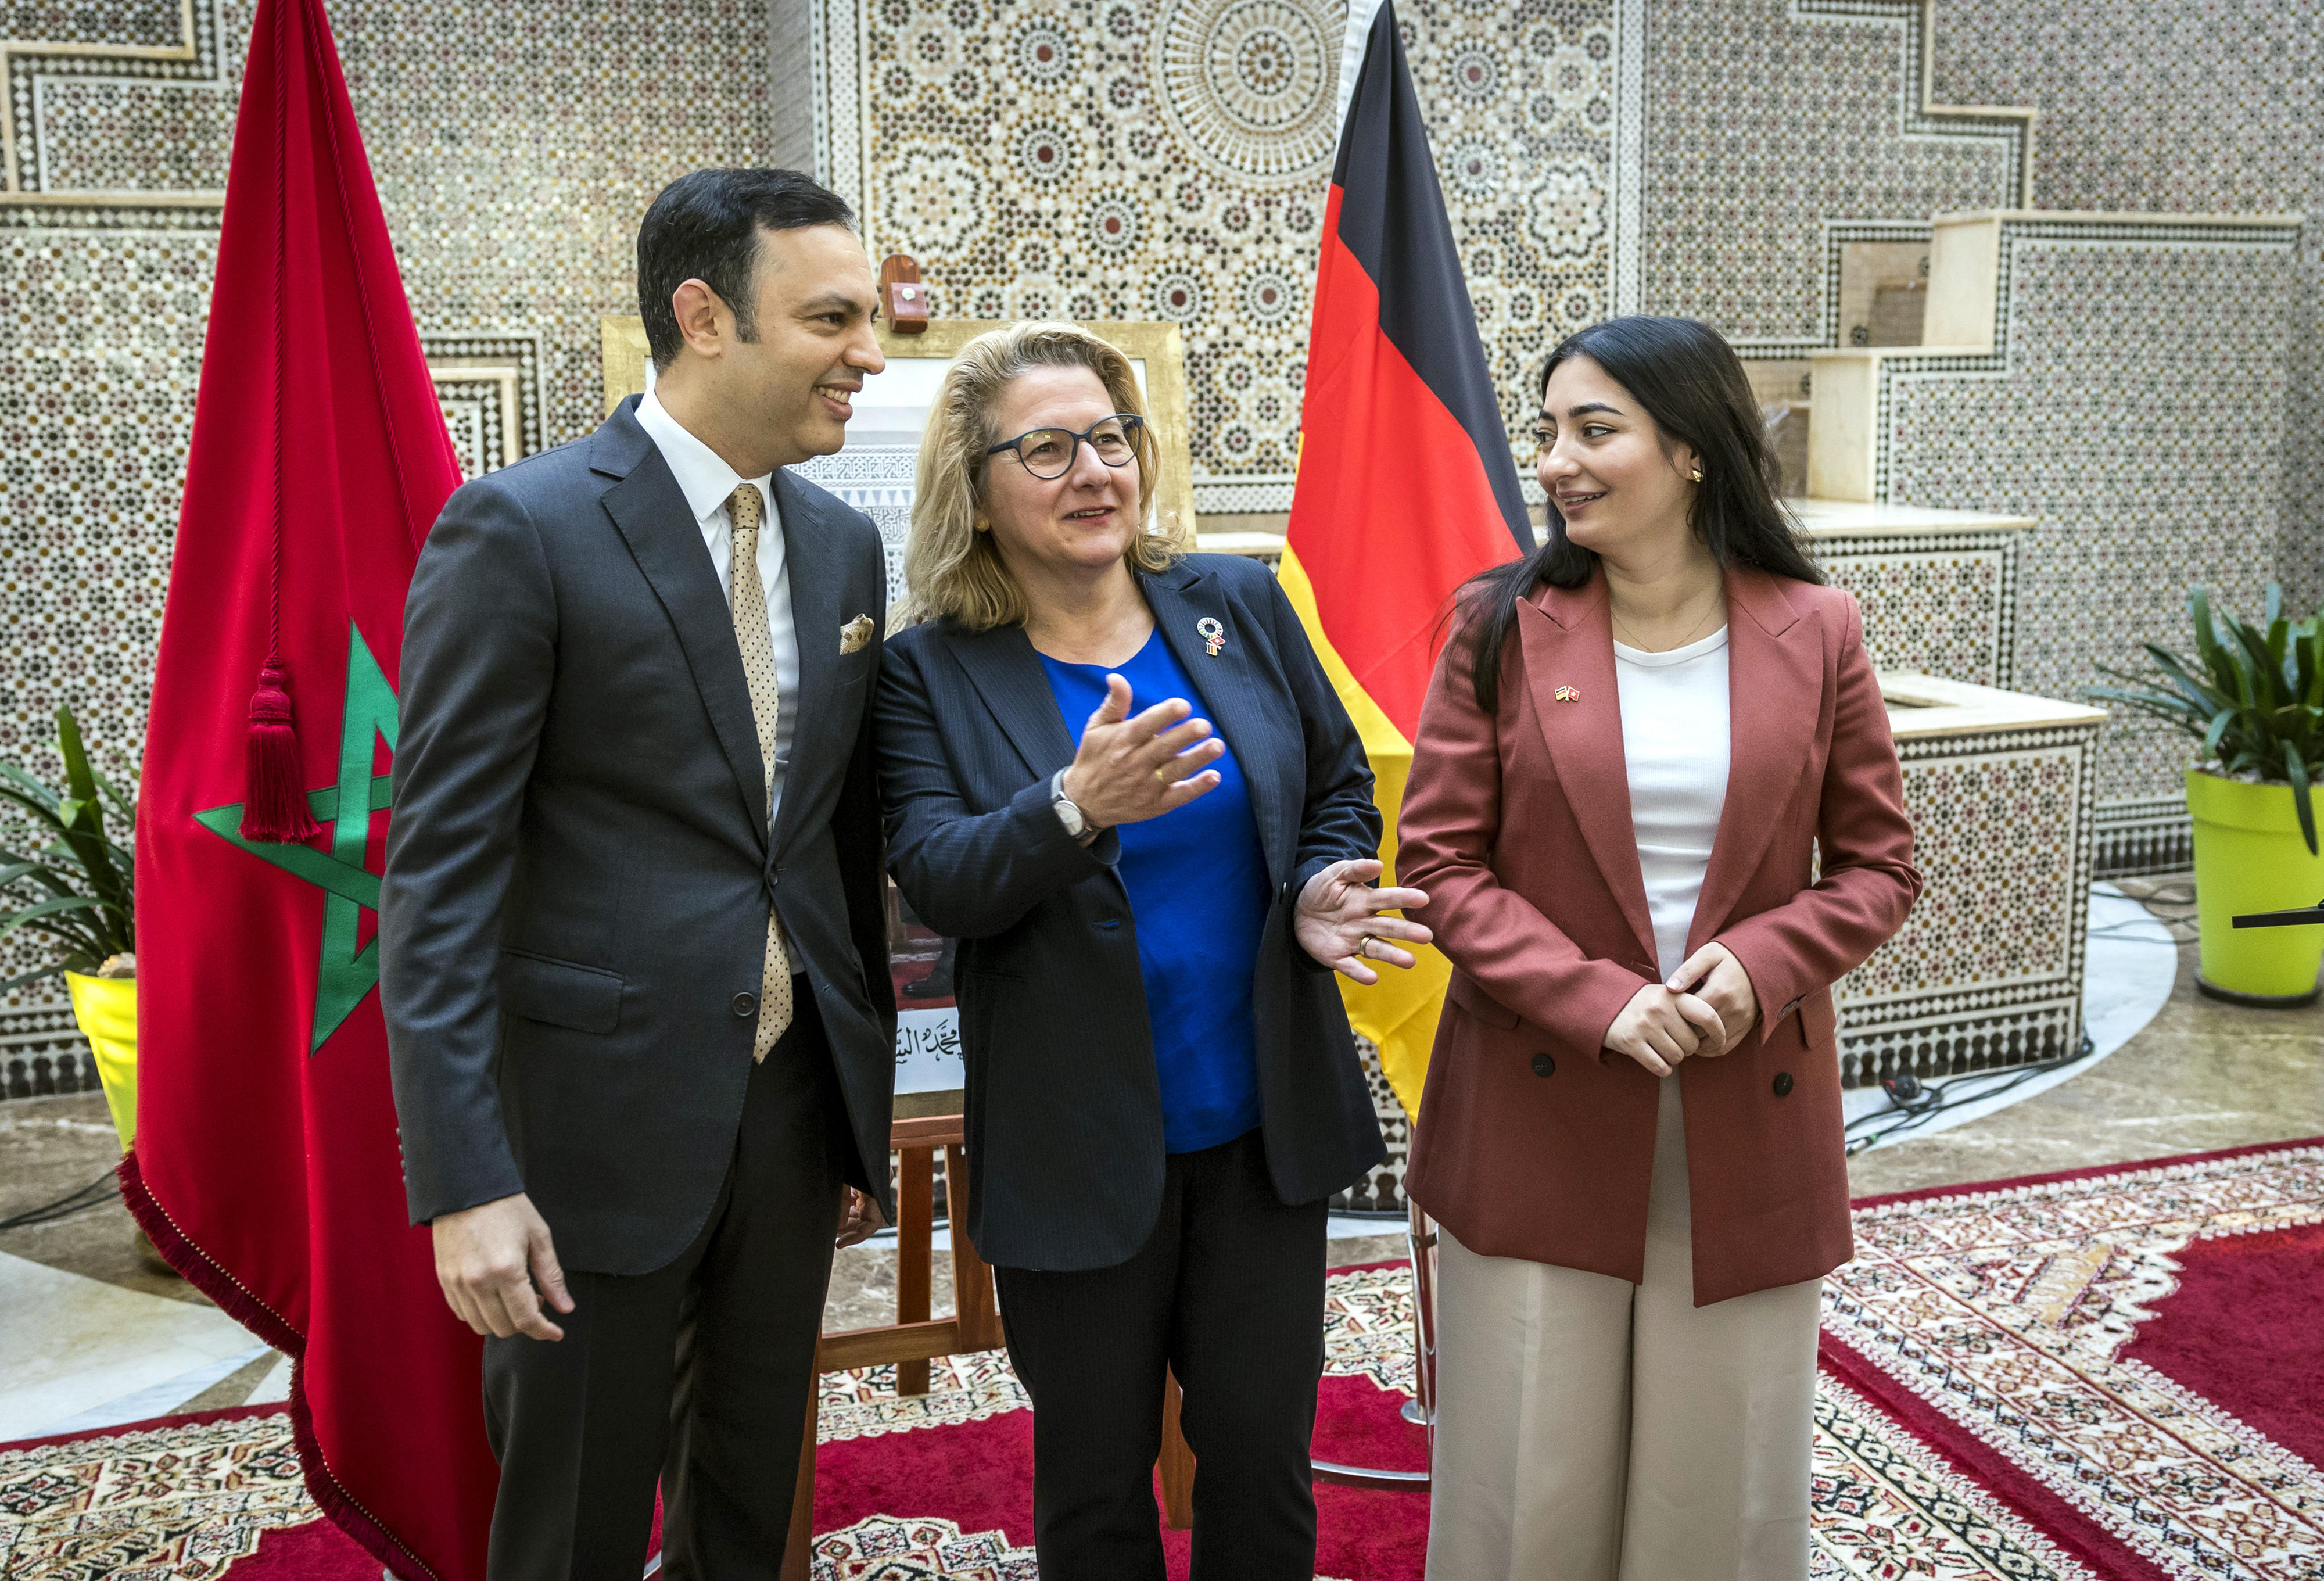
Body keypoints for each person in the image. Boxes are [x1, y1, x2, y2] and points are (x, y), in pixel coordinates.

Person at [379, 167, 897, 1580]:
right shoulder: (523, 528)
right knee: (576, 1527)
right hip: (587, 1139)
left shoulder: (844, 544)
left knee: (750, 1506)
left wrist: (852, 1114)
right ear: (701, 315)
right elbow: (438, 880)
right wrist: (466, 1180)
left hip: (788, 1122)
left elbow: (828, 847)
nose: (870, 351)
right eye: (834, 318)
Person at [874, 321, 1426, 1580]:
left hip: (1256, 1126)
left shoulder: (1229, 600)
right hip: (1072, 1141)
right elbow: (940, 880)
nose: (1095, 471)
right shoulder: (926, 672)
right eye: (1049, 447)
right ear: (975, 483)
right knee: (1093, 1479)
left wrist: (1311, 888)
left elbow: (1337, 779)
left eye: (1112, 439)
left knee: (1260, 1459)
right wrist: (1075, 807)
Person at [1397, 314, 1921, 1580]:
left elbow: (1877, 866)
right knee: (1525, 1474)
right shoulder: (1496, 624)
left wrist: (1760, 964)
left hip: (1744, 1100)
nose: (1558, 461)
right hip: (1538, 1098)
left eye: (1594, 429)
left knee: (1719, 1485)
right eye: (1548, 432)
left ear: (1687, 449)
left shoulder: (1816, 627)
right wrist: (1593, 999)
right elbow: (1438, 866)